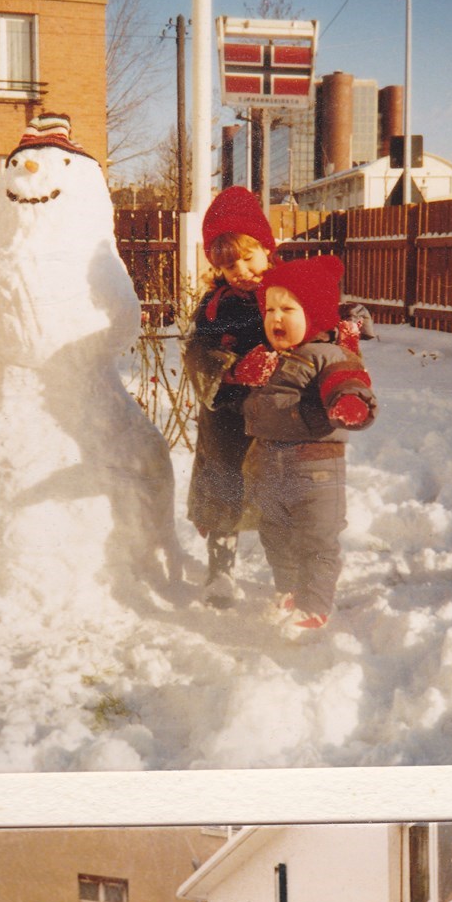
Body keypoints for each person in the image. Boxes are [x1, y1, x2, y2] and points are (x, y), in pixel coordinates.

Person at [237, 259, 376, 636]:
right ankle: (289, 588)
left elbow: (348, 380)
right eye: (269, 309)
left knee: (317, 536)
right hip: (270, 464)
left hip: (316, 467)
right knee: (275, 532)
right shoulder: (270, 357)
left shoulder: (326, 355)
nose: (275, 317)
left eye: (288, 309)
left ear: (313, 314)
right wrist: (242, 376)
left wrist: (350, 403)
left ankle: (314, 605)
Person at [182, 187, 281, 606]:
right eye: (227, 264)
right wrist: (233, 368)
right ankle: (220, 572)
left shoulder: (288, 292)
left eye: (248, 257)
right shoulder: (214, 306)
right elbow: (196, 353)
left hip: (282, 416)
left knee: (285, 496)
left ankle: (291, 577)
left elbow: (321, 329)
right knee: (225, 487)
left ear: (267, 249)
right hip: (228, 417)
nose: (240, 270)